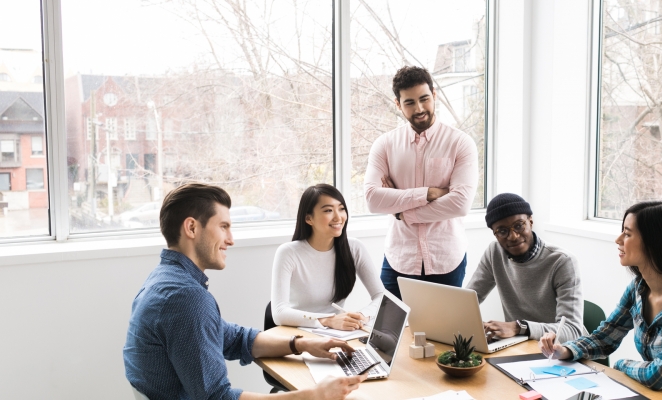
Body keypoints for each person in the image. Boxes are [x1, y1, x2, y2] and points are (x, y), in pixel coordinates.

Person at [123, 183, 365, 400]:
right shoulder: (186, 298)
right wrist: (313, 397)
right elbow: (217, 398)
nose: (231, 239)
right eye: (224, 227)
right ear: (192, 228)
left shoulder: (165, 279)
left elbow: (233, 338)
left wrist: (301, 344)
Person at [540, 201, 662, 399]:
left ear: (655, 242)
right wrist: (565, 350)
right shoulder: (638, 289)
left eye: (627, 233)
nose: (618, 240)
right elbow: (605, 337)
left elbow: (660, 377)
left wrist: (622, 364)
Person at [364, 65, 478, 299]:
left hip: (446, 259)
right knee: (390, 332)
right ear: (398, 104)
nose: (419, 108)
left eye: (424, 99)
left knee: (443, 333)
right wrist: (428, 193)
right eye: (409, 102)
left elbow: (460, 204)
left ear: (434, 95)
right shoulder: (384, 145)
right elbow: (373, 199)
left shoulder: (461, 143)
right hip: (399, 258)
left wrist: (403, 213)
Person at [466, 193, 587, 342]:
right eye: (503, 231)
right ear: (495, 234)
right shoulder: (494, 253)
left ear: (531, 221)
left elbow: (572, 331)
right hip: (519, 347)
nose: (513, 236)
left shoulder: (562, 262)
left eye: (518, 226)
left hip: (562, 352)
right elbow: (467, 301)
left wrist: (518, 327)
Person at [271, 184, 383, 330]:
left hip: (337, 333)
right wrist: (329, 320)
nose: (338, 217)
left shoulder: (354, 248)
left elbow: (381, 296)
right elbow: (279, 313)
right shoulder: (288, 252)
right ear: (308, 218)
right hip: (298, 332)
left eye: (341, 209)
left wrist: (363, 315)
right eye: (328, 210)